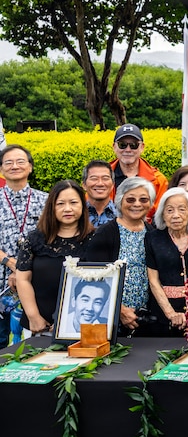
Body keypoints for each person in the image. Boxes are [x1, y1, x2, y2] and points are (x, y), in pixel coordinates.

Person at [14, 180, 95, 335]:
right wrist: (34, 316)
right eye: (60, 204)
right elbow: (22, 279)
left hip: (81, 326)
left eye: (73, 202)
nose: (68, 209)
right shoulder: (34, 239)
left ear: (83, 206)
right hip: (39, 325)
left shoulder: (95, 239)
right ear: (52, 206)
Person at [83, 176, 156, 335]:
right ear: (120, 201)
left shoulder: (152, 233)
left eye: (143, 199)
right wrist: (118, 309)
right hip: (111, 319)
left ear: (150, 203)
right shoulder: (105, 233)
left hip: (144, 320)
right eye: (130, 199)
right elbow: (94, 278)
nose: (137, 204)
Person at [145, 187, 188, 336]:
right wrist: (171, 314)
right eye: (169, 210)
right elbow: (153, 281)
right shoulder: (152, 238)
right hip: (162, 316)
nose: (176, 215)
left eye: (182, 209)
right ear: (163, 214)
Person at [0, 144, 48, 343]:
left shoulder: (46, 200)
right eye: (8, 162)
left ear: (30, 167)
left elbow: (52, 238)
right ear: (1, 169)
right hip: (2, 282)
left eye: (20, 161)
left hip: (36, 280)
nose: (14, 166)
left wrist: (23, 269)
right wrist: (9, 262)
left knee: (36, 342)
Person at [109, 124, 169, 216]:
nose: (128, 150)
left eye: (134, 145)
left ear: (142, 147)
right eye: (122, 145)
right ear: (114, 147)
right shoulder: (101, 179)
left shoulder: (158, 181)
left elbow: (160, 216)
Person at [82, 159, 118, 227]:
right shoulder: (77, 214)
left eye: (105, 178)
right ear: (84, 185)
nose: (100, 183)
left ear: (113, 185)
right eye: (94, 178)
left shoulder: (123, 216)